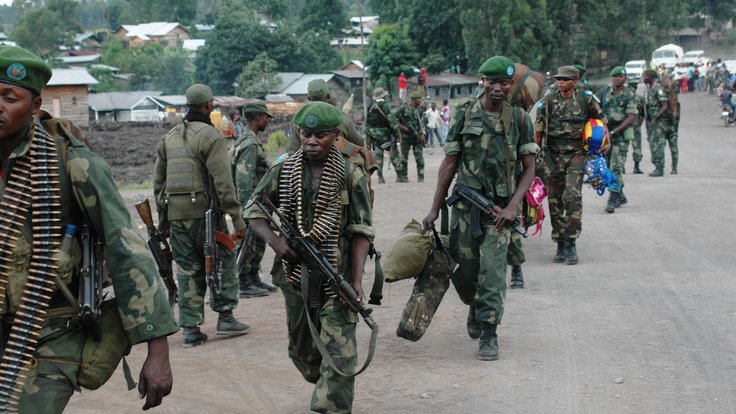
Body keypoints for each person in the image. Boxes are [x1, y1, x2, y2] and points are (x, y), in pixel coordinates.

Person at [0, 44, 177, 412]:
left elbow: (126, 249)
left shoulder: (73, 164)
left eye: (8, 97)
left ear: (34, 106)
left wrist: (157, 348)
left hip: (48, 332)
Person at [244, 101, 374, 413]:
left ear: (336, 136)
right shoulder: (283, 170)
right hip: (294, 277)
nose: (312, 141)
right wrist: (276, 242)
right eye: (306, 135)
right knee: (303, 353)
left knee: (340, 352)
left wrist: (354, 281)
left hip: (335, 273)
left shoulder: (350, 174)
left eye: (321, 136)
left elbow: (361, 231)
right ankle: (325, 380)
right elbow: (253, 210)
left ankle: (330, 405)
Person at [423, 56, 538, 361]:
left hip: (500, 212)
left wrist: (514, 206)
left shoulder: (521, 120)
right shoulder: (464, 114)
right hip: (464, 207)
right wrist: (435, 208)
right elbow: (450, 163)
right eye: (492, 81)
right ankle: (474, 305)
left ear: (512, 85)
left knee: (493, 272)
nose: (498, 88)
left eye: (505, 82)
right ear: (482, 81)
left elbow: (529, 169)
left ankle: (489, 332)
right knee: (466, 272)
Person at [154, 83, 250, 348]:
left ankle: (191, 329)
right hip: (206, 214)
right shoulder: (211, 136)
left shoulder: (169, 137)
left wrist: (163, 221)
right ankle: (226, 317)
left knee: (187, 269)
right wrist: (237, 219)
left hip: (175, 216)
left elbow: (158, 184)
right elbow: (223, 182)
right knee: (222, 260)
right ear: (209, 106)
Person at [534, 66, 607, 265]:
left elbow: (600, 121)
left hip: (577, 154)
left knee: (573, 196)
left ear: (575, 81)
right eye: (558, 79)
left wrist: (603, 143)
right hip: (552, 155)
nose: (560, 82)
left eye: (565, 79)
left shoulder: (586, 99)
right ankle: (560, 241)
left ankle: (571, 241)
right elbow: (539, 129)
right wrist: (534, 155)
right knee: (555, 200)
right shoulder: (548, 100)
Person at [230, 102, 279, 298]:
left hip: (258, 203)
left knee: (258, 242)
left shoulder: (251, 141)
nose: (267, 120)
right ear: (258, 118)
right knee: (248, 243)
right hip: (251, 204)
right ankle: (243, 282)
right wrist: (247, 210)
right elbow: (243, 179)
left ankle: (252, 277)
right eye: (265, 117)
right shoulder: (249, 144)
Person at [596, 66, 638, 213]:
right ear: (612, 78)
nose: (618, 78)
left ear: (625, 78)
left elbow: (632, 117)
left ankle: (612, 199)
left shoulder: (629, 94)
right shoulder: (603, 93)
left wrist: (614, 131)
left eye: (621, 76)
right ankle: (620, 194)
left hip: (621, 136)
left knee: (616, 168)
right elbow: (594, 108)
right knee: (605, 168)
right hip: (605, 136)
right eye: (616, 76)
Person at [286, 79, 364, 153]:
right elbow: (360, 145)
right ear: (328, 96)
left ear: (309, 98)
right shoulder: (343, 119)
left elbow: (292, 150)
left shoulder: (299, 119)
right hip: (339, 165)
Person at [643, 69, 678, 176]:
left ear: (650, 77)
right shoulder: (651, 88)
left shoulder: (658, 89)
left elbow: (664, 105)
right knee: (658, 144)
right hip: (658, 121)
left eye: (645, 76)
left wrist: (655, 118)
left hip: (660, 122)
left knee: (658, 145)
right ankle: (666, 167)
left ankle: (659, 168)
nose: (643, 78)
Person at [364, 87, 401, 183]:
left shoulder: (370, 106)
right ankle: (400, 176)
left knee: (378, 156)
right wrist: (397, 133)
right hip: (386, 134)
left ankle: (380, 177)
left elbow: (367, 121)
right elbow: (391, 120)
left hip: (374, 134)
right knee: (394, 154)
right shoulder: (385, 105)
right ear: (383, 95)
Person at [394, 91, 427, 182]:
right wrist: (403, 127)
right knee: (404, 158)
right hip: (406, 138)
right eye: (419, 99)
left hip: (417, 137)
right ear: (415, 100)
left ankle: (421, 177)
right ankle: (403, 177)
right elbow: (393, 119)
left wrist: (423, 134)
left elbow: (422, 123)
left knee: (419, 158)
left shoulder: (419, 109)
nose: (421, 101)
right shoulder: (404, 108)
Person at [627, 79, 646, 174]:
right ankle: (636, 167)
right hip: (634, 125)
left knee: (624, 145)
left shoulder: (625, 97)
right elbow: (643, 114)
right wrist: (640, 123)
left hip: (626, 125)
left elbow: (642, 113)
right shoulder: (640, 98)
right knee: (636, 146)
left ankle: (623, 167)